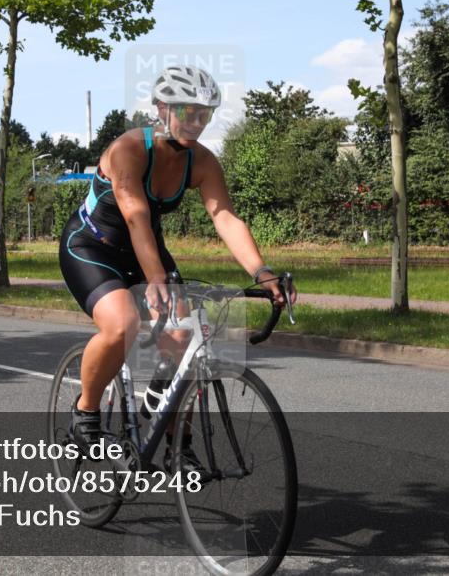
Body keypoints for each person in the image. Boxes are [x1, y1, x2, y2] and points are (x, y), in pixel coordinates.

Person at [58, 65, 296, 466]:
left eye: (204, 113)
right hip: (92, 247)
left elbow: (225, 218)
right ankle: (85, 414)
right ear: (161, 109)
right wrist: (154, 279)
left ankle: (175, 439)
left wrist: (262, 271)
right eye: (187, 111)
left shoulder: (202, 162)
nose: (196, 121)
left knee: (185, 337)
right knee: (122, 325)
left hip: (146, 248)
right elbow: (134, 216)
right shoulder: (128, 150)